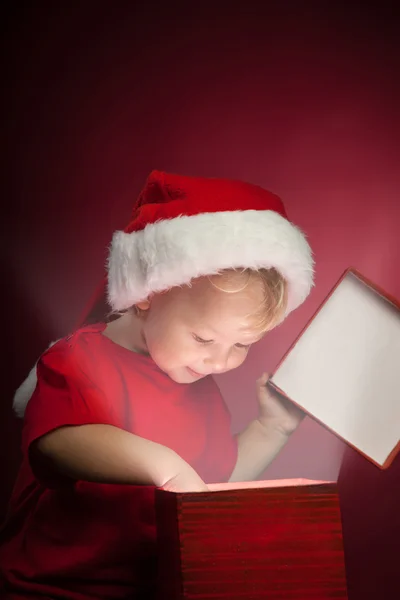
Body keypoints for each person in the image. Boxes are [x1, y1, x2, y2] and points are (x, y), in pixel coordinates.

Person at [0, 170, 314, 599]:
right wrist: (163, 464)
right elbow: (58, 443)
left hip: (154, 587)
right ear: (149, 293)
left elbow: (206, 487)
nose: (220, 362)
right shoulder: (79, 362)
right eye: (204, 338)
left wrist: (270, 429)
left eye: (241, 344)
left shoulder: (197, 383)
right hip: (58, 587)